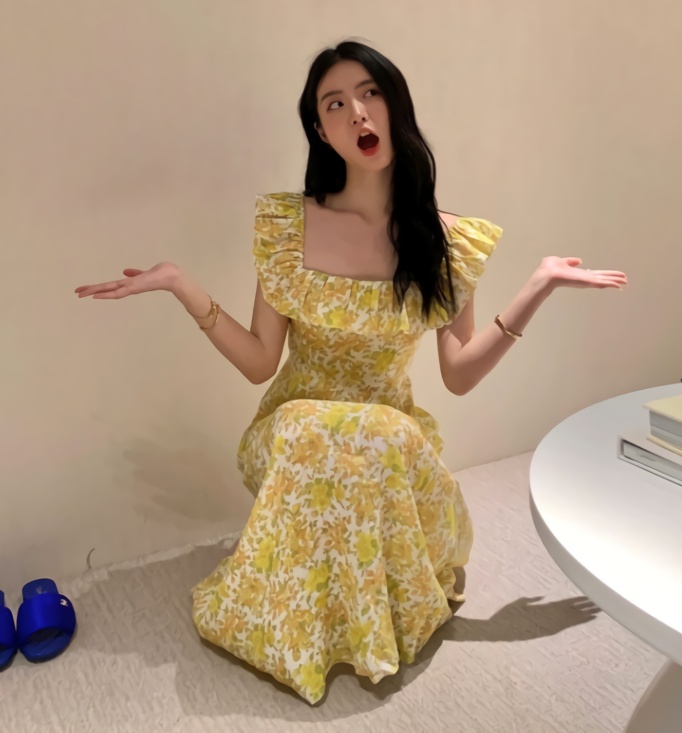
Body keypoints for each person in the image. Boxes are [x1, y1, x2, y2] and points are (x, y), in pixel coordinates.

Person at [74, 40, 627, 704]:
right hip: (291, 436)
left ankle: (353, 612)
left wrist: (536, 286)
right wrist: (180, 285)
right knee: (315, 431)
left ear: (395, 105)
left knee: (373, 437)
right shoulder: (289, 228)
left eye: (369, 93)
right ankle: (302, 630)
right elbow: (259, 362)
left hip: (390, 447)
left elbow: (457, 373)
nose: (357, 112)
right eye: (334, 104)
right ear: (319, 129)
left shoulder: (446, 242)